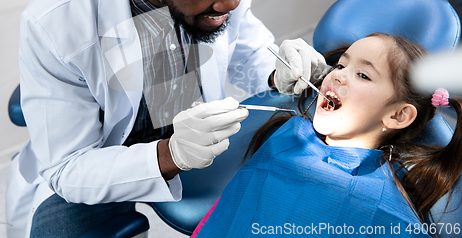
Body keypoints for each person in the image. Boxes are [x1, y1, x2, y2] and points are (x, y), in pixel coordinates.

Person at [5, 0, 326, 237]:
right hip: (102, 158)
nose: (232, 0)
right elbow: (69, 168)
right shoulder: (56, 22)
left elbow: (247, 52)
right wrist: (171, 154)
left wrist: (279, 72)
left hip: (197, 131)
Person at [192, 33, 462, 237]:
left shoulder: (382, 209)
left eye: (363, 75)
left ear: (398, 115)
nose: (338, 76)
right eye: (341, 66)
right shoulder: (287, 137)